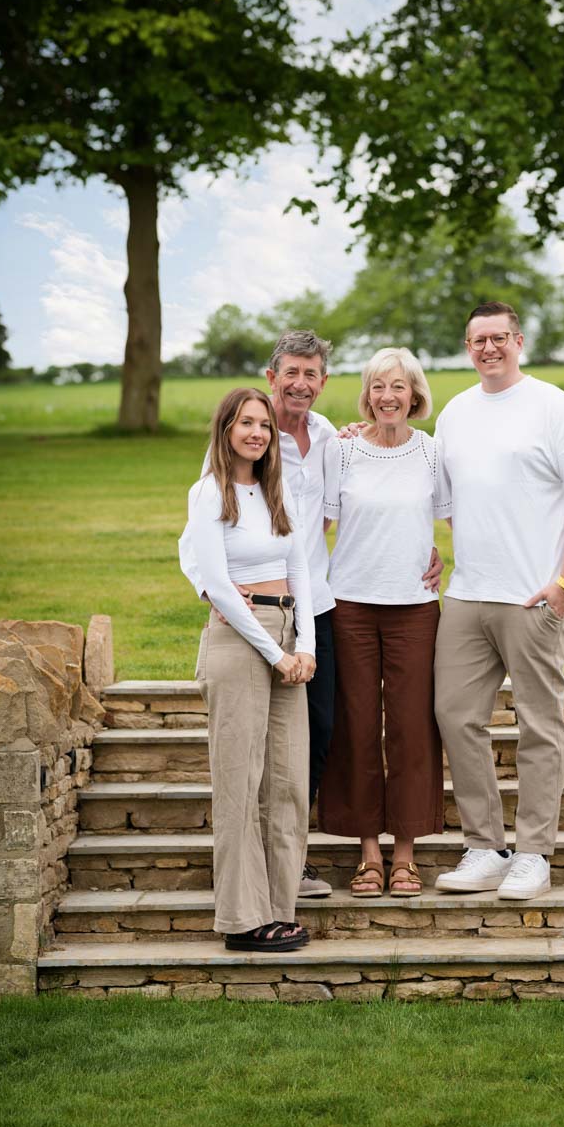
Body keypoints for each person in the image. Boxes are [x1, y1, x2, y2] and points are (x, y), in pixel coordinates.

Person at [180, 330, 442, 899]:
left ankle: (289, 855)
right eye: (290, 373)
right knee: (274, 740)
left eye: (311, 374)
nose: (300, 383)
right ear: (273, 377)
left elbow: (315, 533)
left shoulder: (330, 438)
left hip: (317, 604)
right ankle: (270, 868)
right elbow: (198, 530)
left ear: (324, 383)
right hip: (257, 611)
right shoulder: (244, 439)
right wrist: (214, 592)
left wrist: (422, 548)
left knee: (317, 729)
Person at [433, 302, 564, 900]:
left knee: (538, 725)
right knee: (455, 716)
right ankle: (485, 845)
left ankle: (534, 853)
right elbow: (445, 501)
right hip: (466, 596)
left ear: (519, 340)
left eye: (499, 337)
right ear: (467, 345)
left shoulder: (552, 405)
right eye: (478, 339)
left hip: (536, 598)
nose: (488, 348)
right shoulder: (455, 413)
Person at [317, 348, 450, 897]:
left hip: (414, 608)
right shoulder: (342, 451)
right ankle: (368, 851)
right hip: (348, 603)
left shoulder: (433, 453)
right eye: (377, 387)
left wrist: (440, 555)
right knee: (355, 725)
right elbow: (314, 526)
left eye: (397, 386)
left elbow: (452, 517)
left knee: (414, 728)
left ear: (414, 394)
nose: (387, 397)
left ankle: (405, 854)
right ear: (366, 395)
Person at [188, 387, 315, 950]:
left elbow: (301, 570)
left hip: (288, 633)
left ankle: (277, 907)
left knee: (287, 783)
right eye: (246, 423)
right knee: (239, 780)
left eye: (264, 424)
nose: (257, 433)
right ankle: (242, 919)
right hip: (242, 640)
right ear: (226, 430)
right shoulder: (209, 493)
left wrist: (306, 644)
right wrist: (276, 654)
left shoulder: (275, 493)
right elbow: (216, 582)